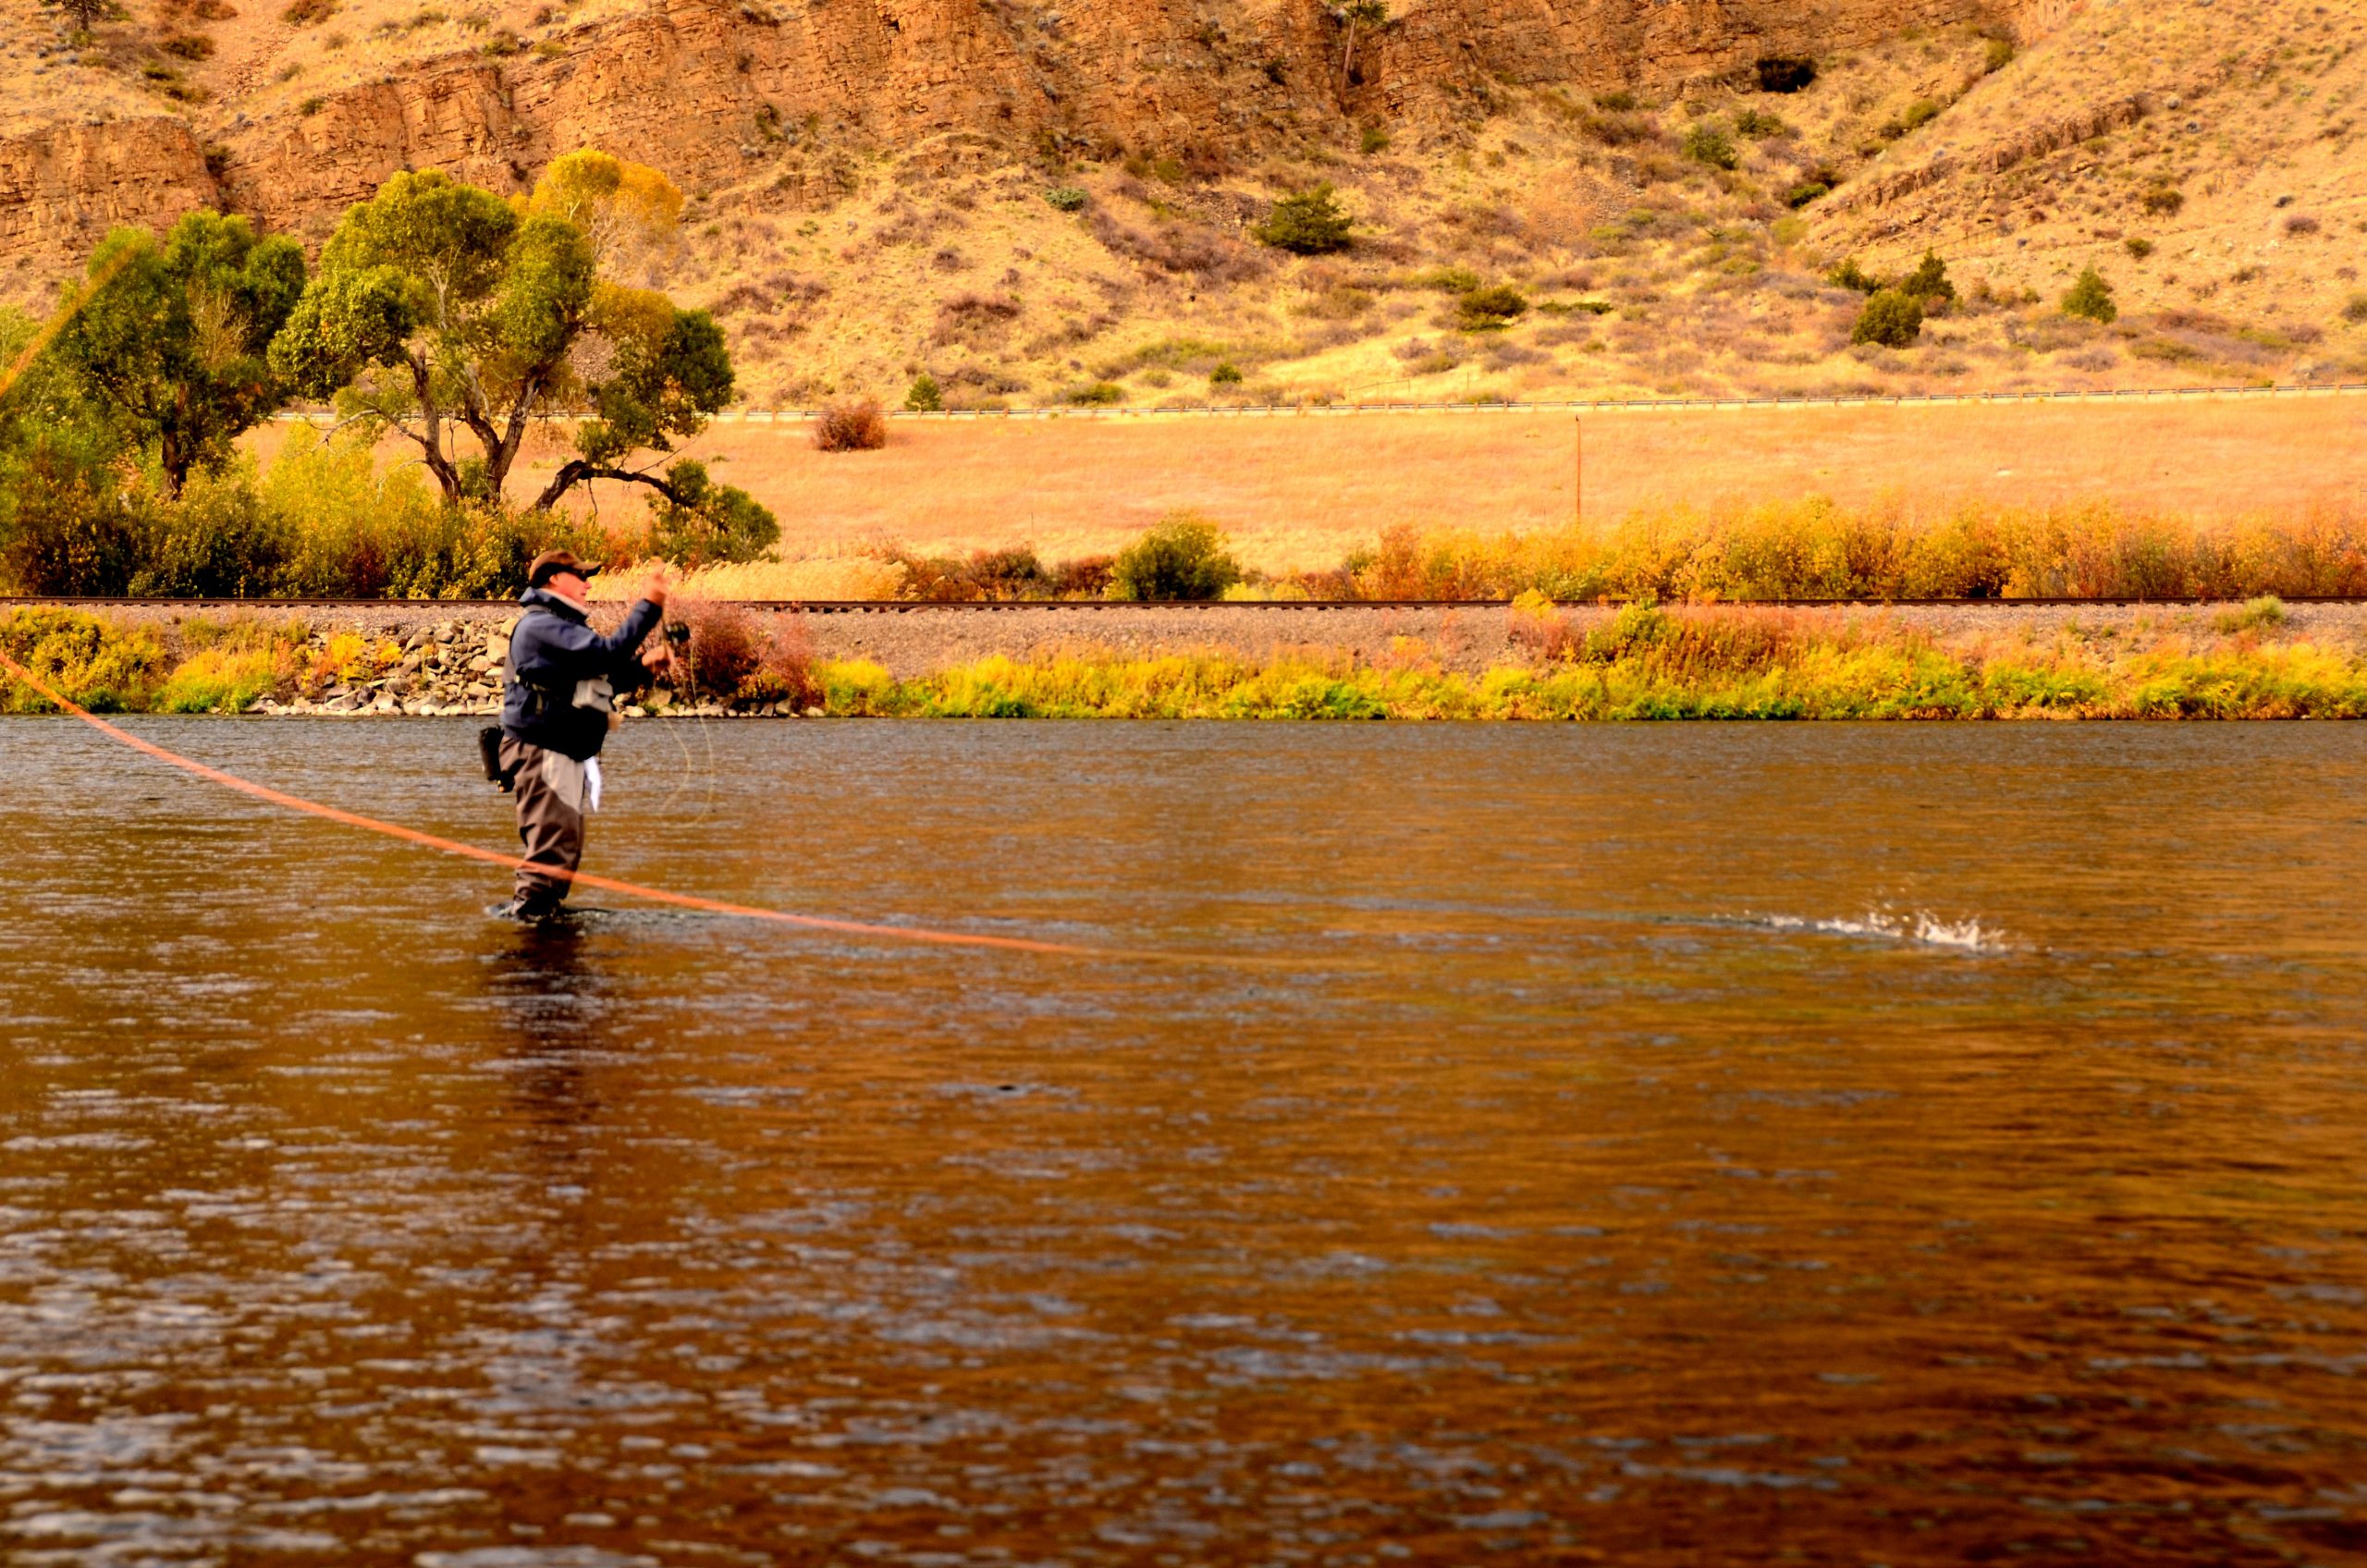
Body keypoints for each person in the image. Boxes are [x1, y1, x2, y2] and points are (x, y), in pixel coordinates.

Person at [496, 549, 673, 920]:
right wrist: (649, 605)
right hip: (542, 750)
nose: (588, 584)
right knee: (552, 845)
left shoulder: (562, 627)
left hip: (561, 751)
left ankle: (544, 926)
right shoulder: (540, 625)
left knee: (565, 845)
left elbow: (601, 678)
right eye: (581, 576)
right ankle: (529, 928)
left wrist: (642, 666)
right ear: (554, 579)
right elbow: (606, 656)